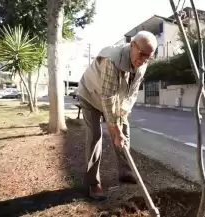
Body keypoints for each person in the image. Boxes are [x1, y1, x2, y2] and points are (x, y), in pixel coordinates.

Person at [77, 31, 158, 201]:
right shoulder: (111, 59)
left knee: (124, 132)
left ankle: (125, 172)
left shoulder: (142, 64)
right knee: (95, 136)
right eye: (142, 54)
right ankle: (93, 182)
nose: (143, 59)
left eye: (148, 57)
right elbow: (108, 98)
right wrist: (114, 129)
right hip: (91, 96)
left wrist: (121, 121)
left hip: (112, 98)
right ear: (132, 45)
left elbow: (130, 95)